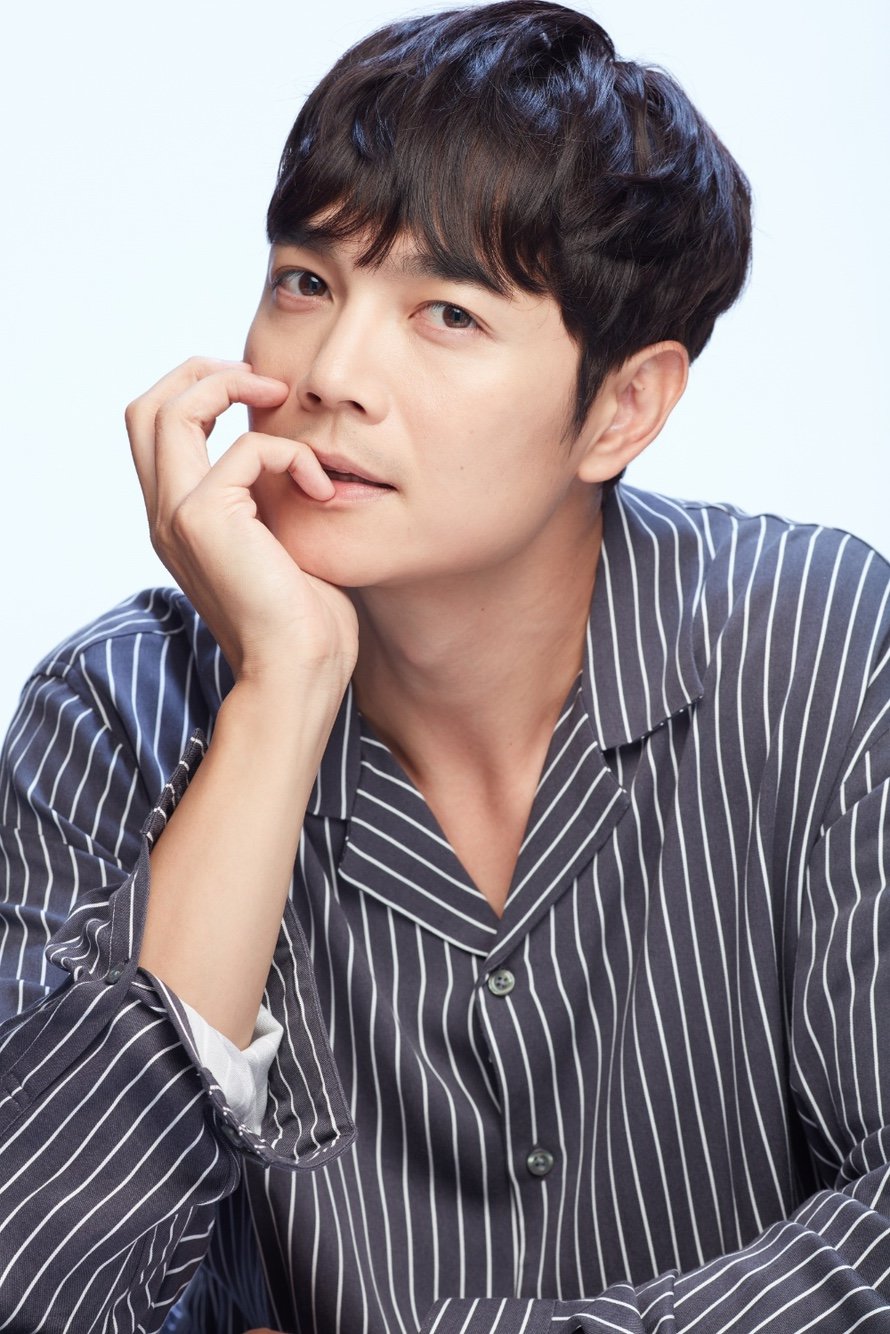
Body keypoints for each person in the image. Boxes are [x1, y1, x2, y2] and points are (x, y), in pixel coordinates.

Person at [0, 1, 888, 1331]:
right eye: (306, 282)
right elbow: (33, 1290)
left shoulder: (819, 650)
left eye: (448, 313)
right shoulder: (113, 719)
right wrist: (280, 696)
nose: (330, 374)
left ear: (622, 407)